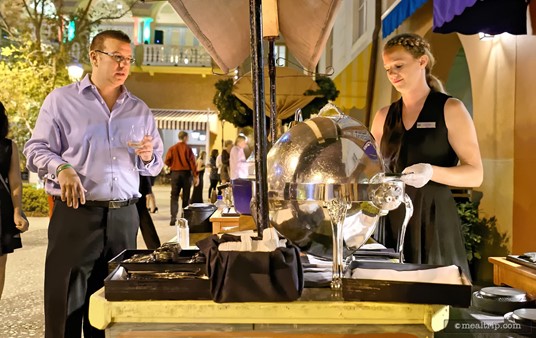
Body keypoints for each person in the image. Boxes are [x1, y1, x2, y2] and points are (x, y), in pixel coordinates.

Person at [23, 30, 163, 338]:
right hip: (76, 215)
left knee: (113, 311)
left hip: (124, 219)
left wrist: (149, 156)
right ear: (94, 57)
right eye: (117, 57)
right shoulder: (61, 101)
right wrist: (61, 167)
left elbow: (155, 163)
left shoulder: (138, 109)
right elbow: (35, 149)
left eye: (128, 59)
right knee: (66, 311)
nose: (123, 65)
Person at [370, 33, 483, 279]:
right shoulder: (383, 116)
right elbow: (371, 170)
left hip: (434, 218)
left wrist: (432, 172)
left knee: (435, 294)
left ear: (422, 62)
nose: (392, 74)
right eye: (388, 68)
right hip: (391, 216)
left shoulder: (450, 108)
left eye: (399, 66)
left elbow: (476, 173)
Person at [0, 102, 29, 300]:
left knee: (0, 263)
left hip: (1, 209)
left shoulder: (8, 146)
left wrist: (17, 211)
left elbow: (15, 182)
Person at [165, 131, 198, 225]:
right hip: (186, 174)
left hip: (175, 173)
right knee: (186, 196)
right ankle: (185, 218)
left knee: (174, 196)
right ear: (185, 137)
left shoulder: (172, 148)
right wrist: (196, 176)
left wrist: (173, 164)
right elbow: (192, 163)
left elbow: (167, 161)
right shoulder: (188, 149)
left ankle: (173, 218)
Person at [137, 175, 161, 249]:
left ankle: (155, 248)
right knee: (144, 219)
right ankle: (155, 248)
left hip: (136, 191)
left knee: (144, 219)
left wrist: (148, 190)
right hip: (136, 189)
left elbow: (143, 171)